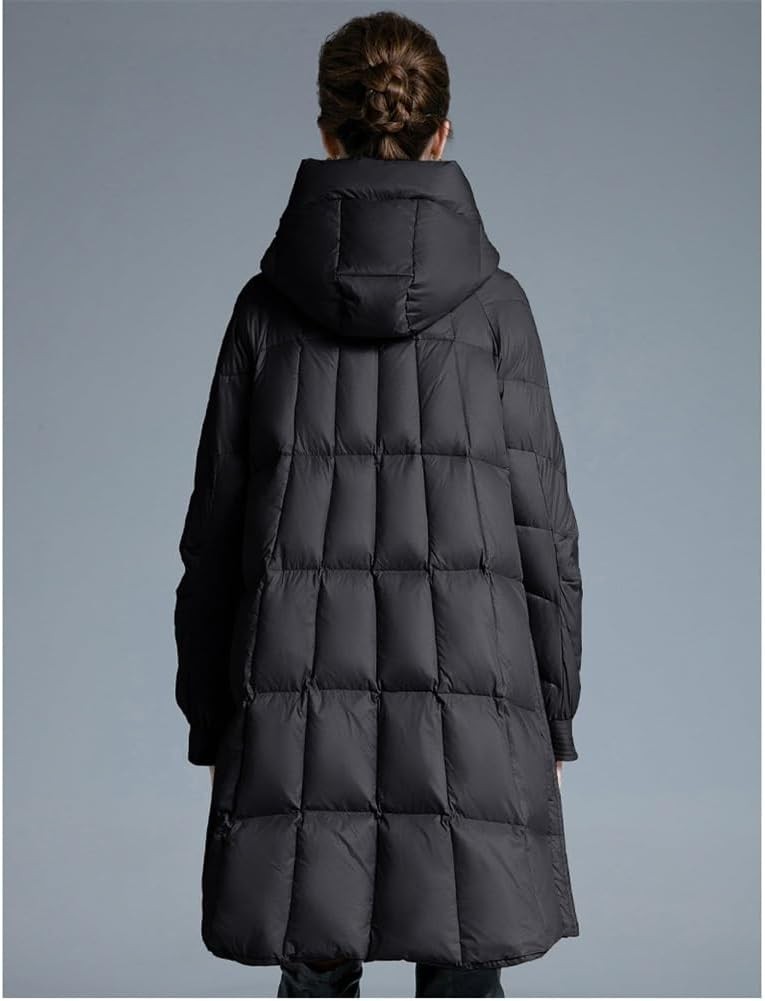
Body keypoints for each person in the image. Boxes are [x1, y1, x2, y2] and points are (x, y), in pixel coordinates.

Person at [173, 9, 583, 999]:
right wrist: (554, 713)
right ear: (442, 135)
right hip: (476, 714)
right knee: (464, 962)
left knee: (312, 965)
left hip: (295, 716)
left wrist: (211, 717)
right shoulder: (497, 310)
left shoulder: (263, 310)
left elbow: (215, 535)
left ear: (327, 133)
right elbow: (545, 536)